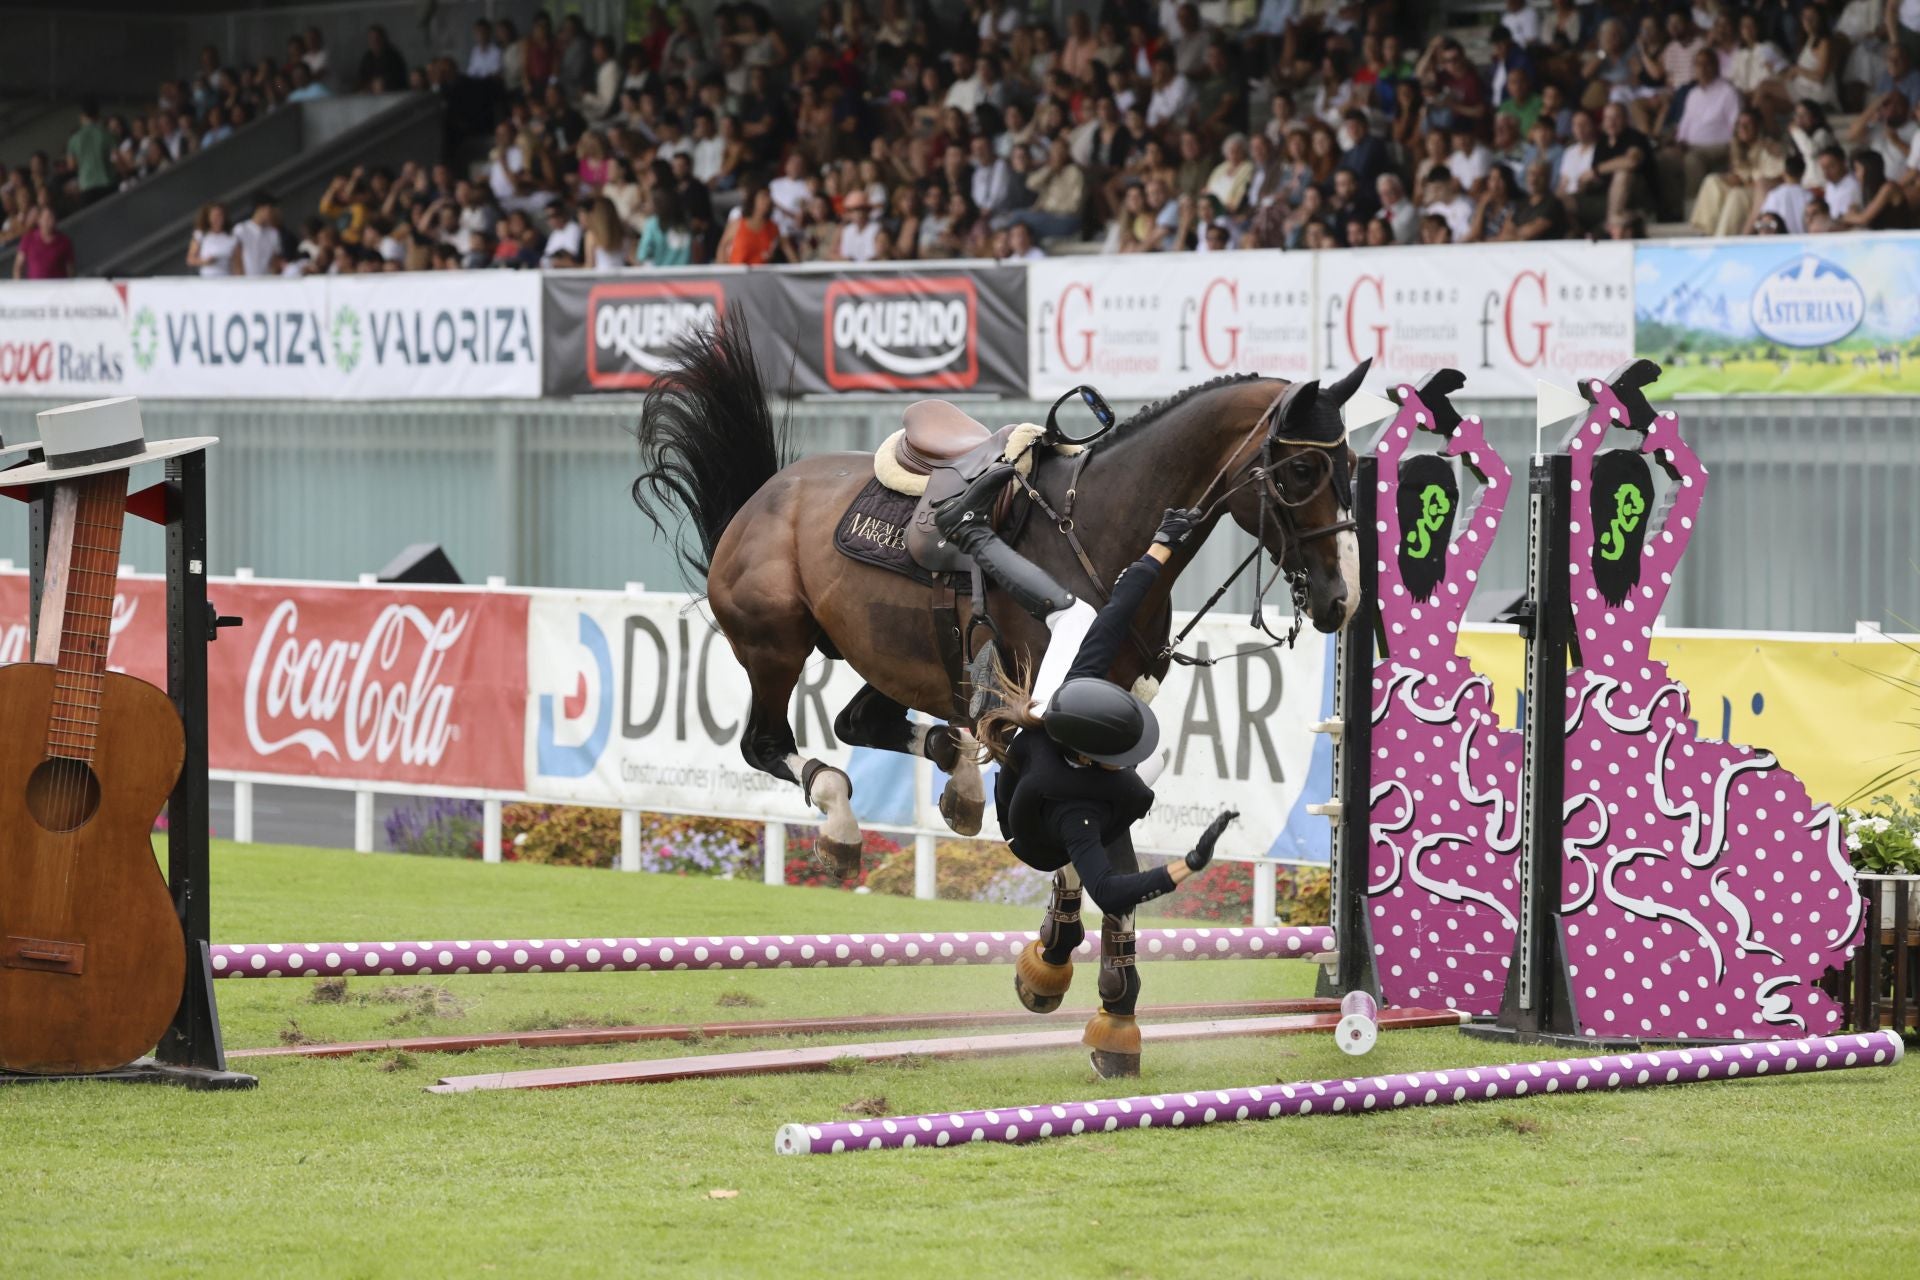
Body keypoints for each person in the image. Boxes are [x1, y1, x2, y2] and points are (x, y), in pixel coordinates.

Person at [958, 497, 1235, 1078]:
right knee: (1074, 614)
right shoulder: (1076, 804)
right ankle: (971, 535)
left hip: (1059, 751)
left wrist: (1163, 541)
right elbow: (1111, 891)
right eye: (1117, 757)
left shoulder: (1083, 687)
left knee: (1092, 620)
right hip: (1041, 832)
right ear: (1090, 755)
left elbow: (1121, 610)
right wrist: (1188, 863)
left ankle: (1062, 941)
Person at [67, 97, 116, 205]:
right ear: (98, 115)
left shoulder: (74, 139)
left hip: (87, 186)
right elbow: (115, 157)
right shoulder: (106, 134)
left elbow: (71, 165)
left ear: (81, 116)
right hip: (107, 183)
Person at [12, 206, 73, 278]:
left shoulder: (64, 241)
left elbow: (70, 268)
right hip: (35, 288)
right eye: (45, 219)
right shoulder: (28, 239)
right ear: (39, 220)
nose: (48, 222)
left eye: (51, 218)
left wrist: (71, 287)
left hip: (59, 287)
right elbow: (18, 266)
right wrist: (18, 287)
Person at [233, 191, 283, 275]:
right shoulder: (241, 229)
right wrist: (240, 283)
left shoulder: (273, 233)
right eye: (270, 209)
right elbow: (236, 260)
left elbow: (274, 262)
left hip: (267, 284)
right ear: (260, 208)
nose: (272, 213)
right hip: (246, 283)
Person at [186, 202, 237, 275]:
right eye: (214, 216)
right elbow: (190, 259)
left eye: (219, 215)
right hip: (207, 281)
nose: (217, 219)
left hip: (226, 279)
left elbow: (237, 264)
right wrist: (205, 261)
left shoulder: (231, 237)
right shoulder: (201, 234)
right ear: (208, 218)